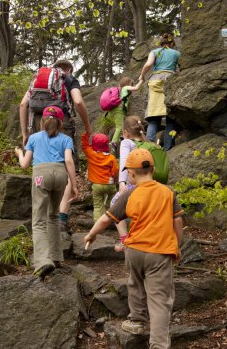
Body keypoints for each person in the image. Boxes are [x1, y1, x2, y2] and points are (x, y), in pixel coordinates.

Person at [84, 148, 183, 349]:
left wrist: (91, 235)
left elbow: (105, 218)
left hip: (134, 251)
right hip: (159, 252)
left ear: (130, 173)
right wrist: (177, 245)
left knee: (135, 285)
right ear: (153, 169)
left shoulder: (129, 193)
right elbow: (178, 221)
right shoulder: (168, 192)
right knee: (159, 299)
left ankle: (137, 321)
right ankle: (158, 344)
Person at [20, 59, 91, 230]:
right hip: (62, 123)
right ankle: (61, 218)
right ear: (68, 69)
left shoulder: (38, 80)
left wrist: (25, 133)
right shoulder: (68, 78)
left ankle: (43, 216)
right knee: (64, 169)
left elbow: (23, 104)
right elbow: (78, 102)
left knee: (42, 163)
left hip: (39, 122)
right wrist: (88, 127)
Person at [15, 106, 78, 280]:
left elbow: (25, 165)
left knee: (39, 219)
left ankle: (43, 260)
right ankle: (56, 257)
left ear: (42, 121)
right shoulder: (66, 139)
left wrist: (20, 153)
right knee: (54, 215)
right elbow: (68, 161)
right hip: (60, 175)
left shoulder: (34, 138)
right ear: (60, 123)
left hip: (40, 176)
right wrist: (74, 184)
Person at [139, 33, 180, 151]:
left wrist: (142, 76)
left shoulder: (154, 52)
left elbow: (148, 64)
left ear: (161, 43)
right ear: (172, 44)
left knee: (153, 117)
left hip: (155, 81)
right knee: (170, 117)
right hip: (170, 82)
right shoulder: (176, 53)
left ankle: (148, 148)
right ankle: (168, 149)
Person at [111, 115, 146, 251]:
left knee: (114, 205)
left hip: (132, 183)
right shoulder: (148, 144)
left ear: (125, 132)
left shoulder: (126, 143)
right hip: (147, 183)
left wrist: (121, 182)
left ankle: (125, 240)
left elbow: (124, 163)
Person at [81, 132, 119, 222]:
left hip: (97, 185)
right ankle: (108, 212)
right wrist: (115, 180)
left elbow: (84, 145)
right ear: (106, 145)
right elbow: (115, 171)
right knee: (111, 200)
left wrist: (86, 133)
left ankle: (98, 223)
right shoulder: (111, 158)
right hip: (110, 184)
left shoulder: (91, 154)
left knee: (97, 205)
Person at [106, 76, 143, 150]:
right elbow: (136, 88)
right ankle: (113, 143)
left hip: (114, 111)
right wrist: (141, 81)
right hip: (118, 110)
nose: (131, 86)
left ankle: (122, 138)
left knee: (123, 125)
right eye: (131, 84)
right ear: (128, 84)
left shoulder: (120, 90)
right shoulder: (125, 88)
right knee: (119, 127)